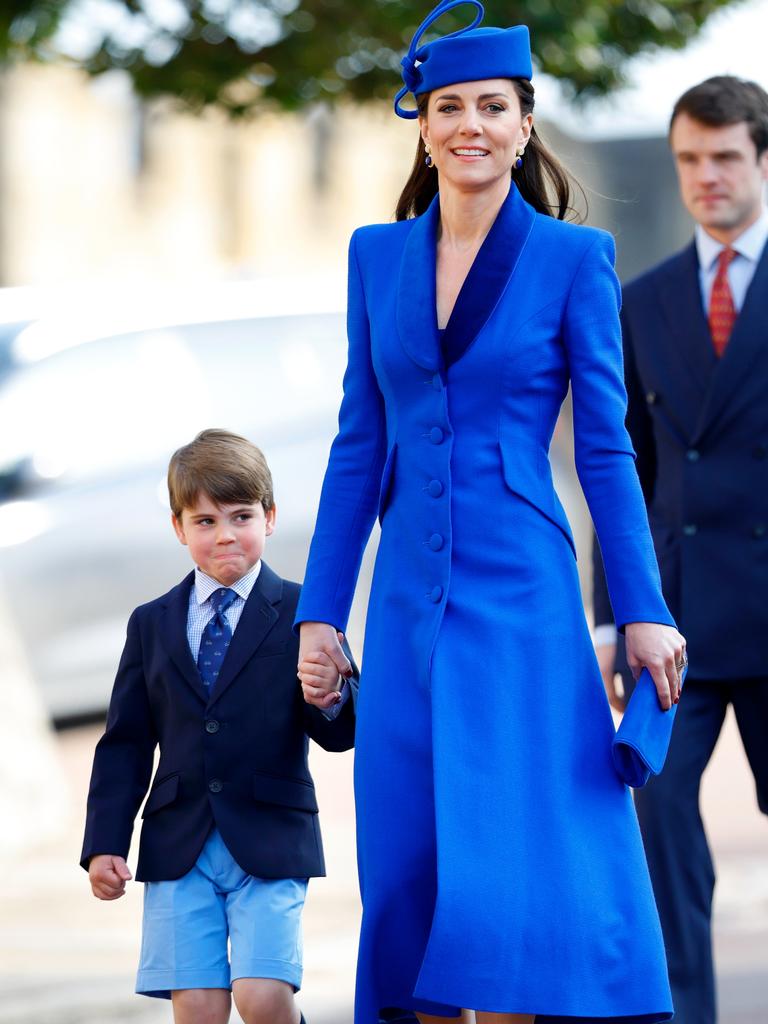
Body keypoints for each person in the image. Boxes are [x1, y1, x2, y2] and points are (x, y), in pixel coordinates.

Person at [294, 2, 686, 1022]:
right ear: (422, 123)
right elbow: (356, 445)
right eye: (450, 105)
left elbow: (605, 450)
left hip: (522, 596)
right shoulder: (375, 257)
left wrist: (641, 606)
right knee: (413, 869)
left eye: (493, 107)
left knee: (513, 883)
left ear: (524, 124)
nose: (470, 123)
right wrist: (320, 614)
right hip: (410, 604)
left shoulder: (573, 260)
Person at [592, 75, 768, 1024]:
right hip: (676, 620)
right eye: (689, 160)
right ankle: (684, 1011)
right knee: (654, 811)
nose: (705, 178)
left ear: (762, 161)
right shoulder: (643, 298)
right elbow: (617, 464)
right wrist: (615, 613)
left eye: (725, 158)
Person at [81, 428, 357, 1024]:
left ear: (271, 516)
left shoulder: (306, 611)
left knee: (261, 997)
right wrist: (105, 840)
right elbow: (125, 742)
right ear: (179, 528)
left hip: (271, 836)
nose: (225, 534)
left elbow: (341, 733)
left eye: (240, 515)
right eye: (204, 521)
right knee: (200, 1009)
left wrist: (331, 693)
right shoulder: (151, 623)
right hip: (178, 843)